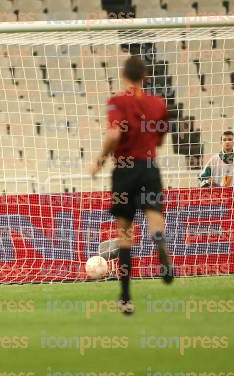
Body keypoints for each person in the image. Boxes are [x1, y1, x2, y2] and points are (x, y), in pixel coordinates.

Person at [89, 56, 174, 315]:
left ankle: (126, 298)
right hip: (149, 167)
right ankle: (159, 240)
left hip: (124, 170)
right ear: (145, 77)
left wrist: (100, 160)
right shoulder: (158, 103)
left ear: (124, 76)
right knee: (154, 216)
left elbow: (114, 134)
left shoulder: (117, 101)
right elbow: (159, 141)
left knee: (125, 235)